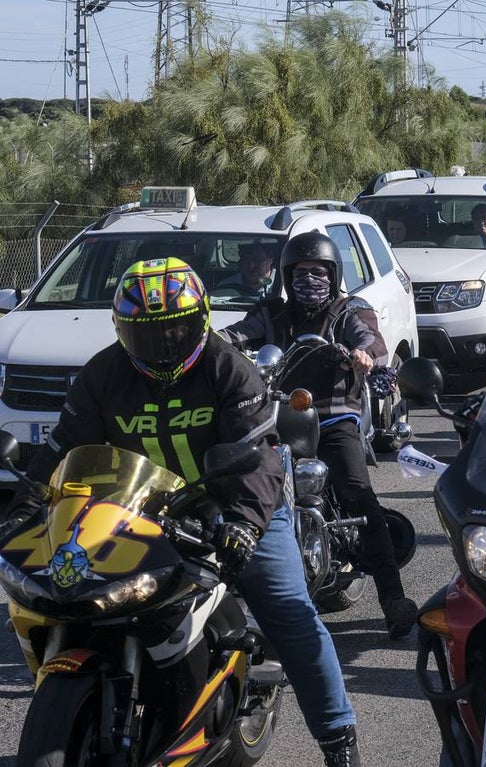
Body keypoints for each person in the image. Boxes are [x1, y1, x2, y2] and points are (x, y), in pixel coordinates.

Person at [0, 257, 363, 766]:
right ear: (122, 329)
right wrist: (24, 506)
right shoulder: (102, 374)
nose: (165, 342)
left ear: (203, 320)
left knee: (289, 613)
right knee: (72, 587)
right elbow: (61, 447)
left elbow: (257, 459)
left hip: (234, 505)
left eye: (177, 328)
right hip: (139, 503)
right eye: (147, 332)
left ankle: (338, 739)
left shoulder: (228, 369)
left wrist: (243, 525)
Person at [218, 232, 419, 639]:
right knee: (241, 488)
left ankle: (393, 599)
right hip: (277, 417)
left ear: (333, 274)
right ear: (286, 278)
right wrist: (206, 342)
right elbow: (234, 335)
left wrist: (365, 355)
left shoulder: (349, 310)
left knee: (358, 493)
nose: (309, 280)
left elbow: (371, 339)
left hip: (333, 417)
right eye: (300, 273)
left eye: (318, 272)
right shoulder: (271, 314)